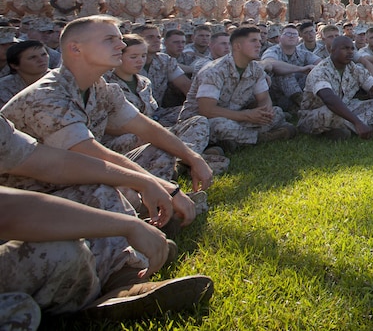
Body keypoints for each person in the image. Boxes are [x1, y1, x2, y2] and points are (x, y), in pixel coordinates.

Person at [0, 116, 214, 323]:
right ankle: (95, 281)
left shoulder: (103, 89)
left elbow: (52, 163)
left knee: (98, 189)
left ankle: (124, 279)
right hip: (24, 206)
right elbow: (7, 213)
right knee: (61, 251)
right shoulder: (47, 93)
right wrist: (127, 225)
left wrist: (146, 183)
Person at [0, 16, 207, 222]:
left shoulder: (100, 87)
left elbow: (146, 127)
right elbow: (92, 155)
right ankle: (140, 224)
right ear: (75, 49)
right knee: (103, 192)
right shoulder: (47, 96)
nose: (122, 45)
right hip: (33, 195)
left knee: (160, 147)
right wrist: (162, 186)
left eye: (119, 38)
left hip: (79, 175)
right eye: (110, 39)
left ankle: (152, 210)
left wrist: (192, 157)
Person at [177, 26, 296, 152]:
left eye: (259, 40)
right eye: (253, 41)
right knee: (220, 125)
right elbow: (207, 110)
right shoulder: (214, 71)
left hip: (235, 116)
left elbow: (264, 98)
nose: (259, 44)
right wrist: (246, 115)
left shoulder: (256, 69)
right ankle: (262, 137)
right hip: (201, 121)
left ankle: (232, 141)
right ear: (237, 46)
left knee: (276, 112)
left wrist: (264, 112)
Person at [298, 36, 373, 139]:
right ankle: (356, 126)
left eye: (352, 48)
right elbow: (329, 99)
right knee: (333, 112)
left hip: (345, 108)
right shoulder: (320, 71)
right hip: (315, 114)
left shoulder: (354, 69)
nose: (350, 52)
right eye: (345, 48)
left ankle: (343, 129)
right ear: (333, 50)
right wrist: (357, 122)